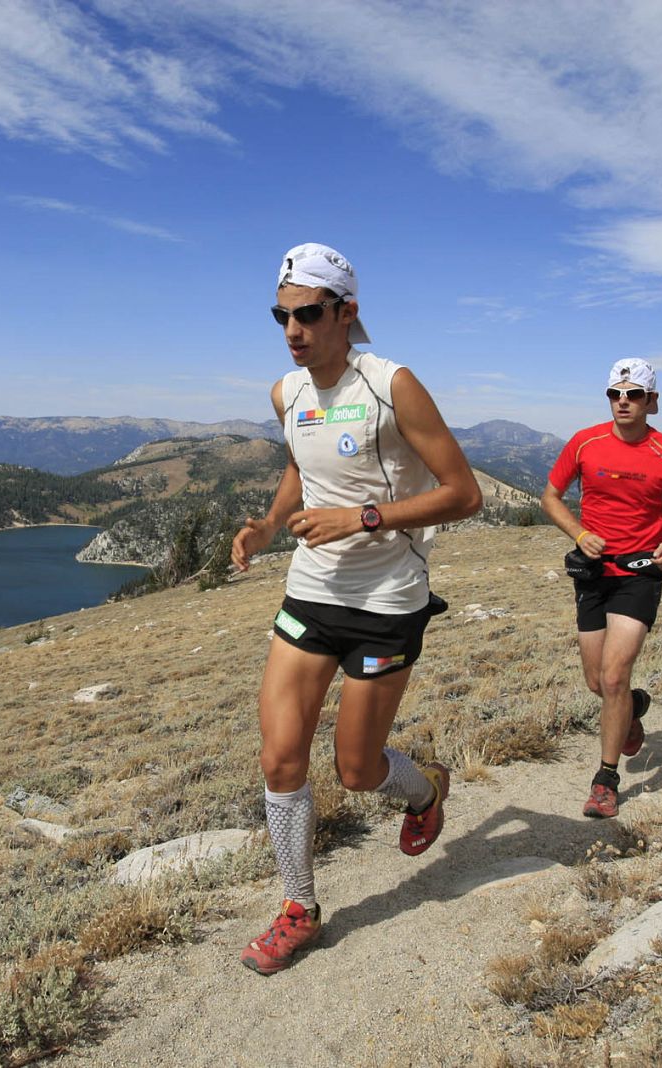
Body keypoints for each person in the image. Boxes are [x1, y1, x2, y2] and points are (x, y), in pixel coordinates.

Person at [230, 242, 482, 974]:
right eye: (281, 316)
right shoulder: (287, 394)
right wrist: (269, 525)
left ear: (347, 313)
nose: (292, 330)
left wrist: (365, 518)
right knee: (280, 758)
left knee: (357, 770)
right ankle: (298, 907)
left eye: (308, 314)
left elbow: (464, 493)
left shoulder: (392, 384)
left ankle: (425, 784)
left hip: (385, 600)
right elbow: (299, 466)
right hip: (311, 592)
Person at [540, 358, 662, 819]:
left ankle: (605, 780)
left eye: (634, 394)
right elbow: (550, 497)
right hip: (593, 573)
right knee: (598, 682)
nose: (624, 401)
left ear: (651, 402)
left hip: (640, 572)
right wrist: (579, 534)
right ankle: (633, 709)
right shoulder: (585, 442)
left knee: (614, 676)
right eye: (616, 394)